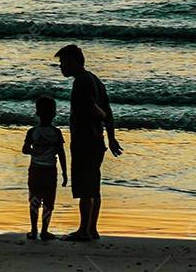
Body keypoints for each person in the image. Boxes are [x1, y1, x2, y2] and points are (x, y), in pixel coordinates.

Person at [55, 43, 123, 242]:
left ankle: (84, 230)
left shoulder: (82, 82)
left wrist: (100, 117)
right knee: (93, 186)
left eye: (64, 62)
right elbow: (108, 110)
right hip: (96, 141)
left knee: (85, 187)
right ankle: (92, 228)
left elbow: (96, 109)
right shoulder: (95, 79)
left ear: (75, 61)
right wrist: (111, 137)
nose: (62, 66)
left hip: (85, 140)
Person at [22, 95, 67, 240]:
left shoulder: (32, 131)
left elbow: (24, 149)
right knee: (48, 201)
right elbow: (61, 153)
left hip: (35, 169)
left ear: (37, 114)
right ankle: (45, 230)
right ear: (54, 114)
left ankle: (33, 229)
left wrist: (35, 150)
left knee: (34, 199)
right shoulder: (56, 132)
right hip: (50, 170)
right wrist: (65, 173)